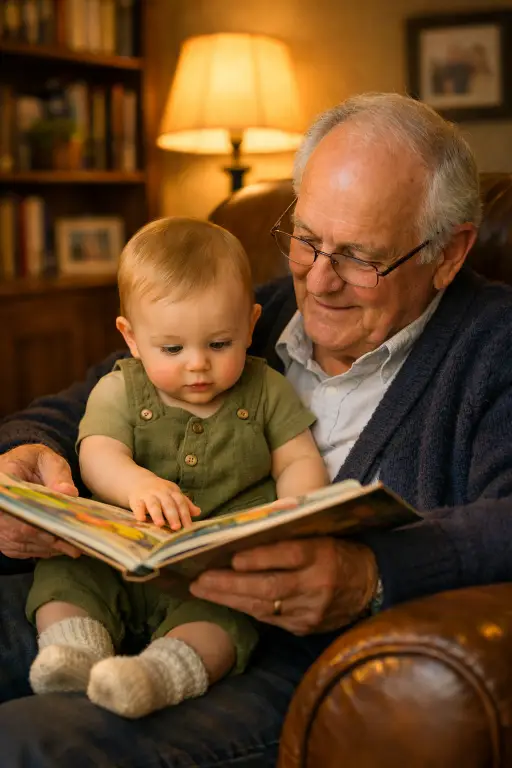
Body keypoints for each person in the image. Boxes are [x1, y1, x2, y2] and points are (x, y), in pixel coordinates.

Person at [1, 91, 512, 766]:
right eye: (306, 238)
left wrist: (372, 573)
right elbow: (89, 398)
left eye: (360, 257)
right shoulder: (251, 313)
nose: (319, 280)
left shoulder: (493, 344)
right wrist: (24, 453)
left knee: (29, 741)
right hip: (115, 591)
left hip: (277, 656)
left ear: (448, 253)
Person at [27, 216, 327, 718]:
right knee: (62, 572)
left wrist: (294, 510)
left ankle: (158, 675)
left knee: (228, 616)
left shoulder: (268, 389)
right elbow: (97, 452)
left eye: (219, 344)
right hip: (120, 556)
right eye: (172, 348)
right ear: (131, 337)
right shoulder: (120, 389)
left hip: (213, 570)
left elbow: (298, 456)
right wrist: (136, 483)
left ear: (251, 325)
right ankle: (73, 651)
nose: (197, 365)